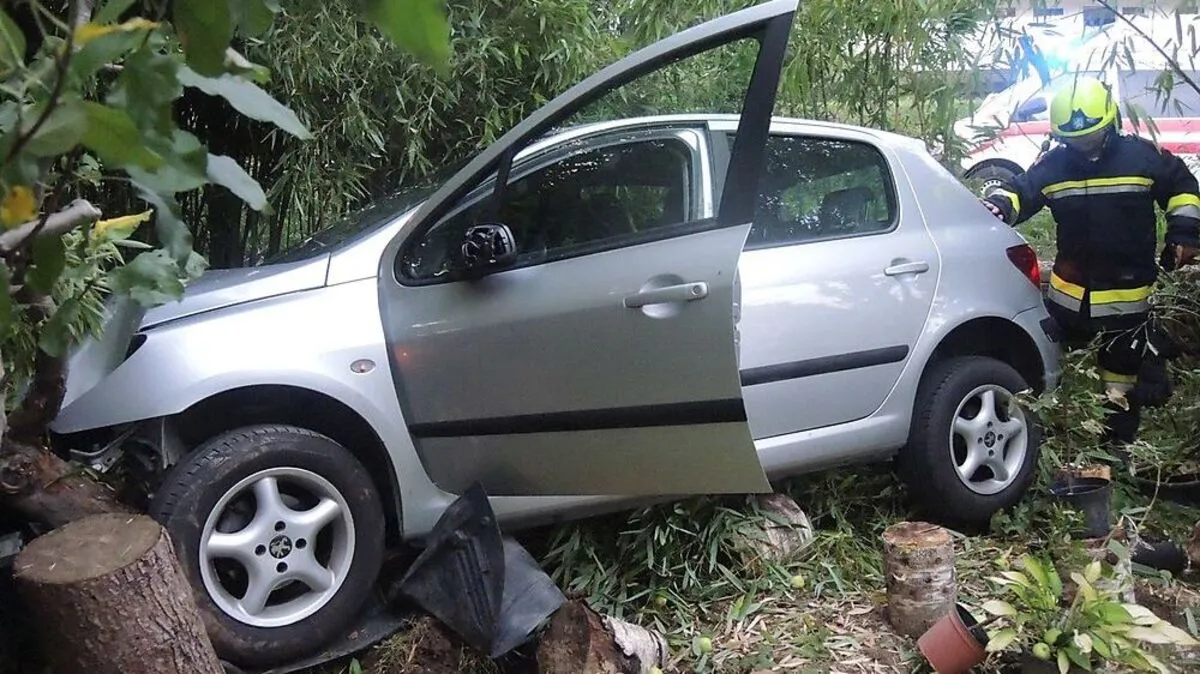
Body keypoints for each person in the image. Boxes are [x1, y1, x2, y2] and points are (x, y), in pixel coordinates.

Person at [980, 75, 1200, 456]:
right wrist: (1000, 203)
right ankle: (1058, 435)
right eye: (1074, 140)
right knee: (1058, 370)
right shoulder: (1053, 164)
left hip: (1126, 296)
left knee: (1120, 375)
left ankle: (1116, 448)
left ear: (1110, 123)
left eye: (1090, 137)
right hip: (1068, 298)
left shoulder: (1142, 157)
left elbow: (1183, 188)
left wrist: (1183, 233)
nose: (1082, 146)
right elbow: (1022, 190)